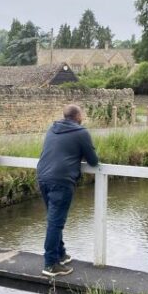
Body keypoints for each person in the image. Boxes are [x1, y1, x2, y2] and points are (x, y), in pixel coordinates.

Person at [36, 104, 99, 277]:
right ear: (78, 116)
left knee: (53, 219)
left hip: (43, 177)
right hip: (61, 180)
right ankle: (50, 265)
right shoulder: (81, 132)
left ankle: (60, 254)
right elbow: (93, 161)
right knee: (55, 222)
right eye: (82, 115)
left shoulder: (52, 128)